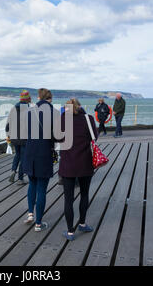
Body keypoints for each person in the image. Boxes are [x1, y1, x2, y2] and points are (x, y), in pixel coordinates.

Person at [59, 98, 97, 241]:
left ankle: (70, 232)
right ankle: (82, 223)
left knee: (68, 199)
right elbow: (95, 137)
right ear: (80, 106)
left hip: (68, 164)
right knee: (84, 194)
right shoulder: (88, 119)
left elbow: (56, 138)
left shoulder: (62, 119)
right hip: (85, 163)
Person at [23, 88, 60, 232]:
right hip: (44, 153)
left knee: (32, 184)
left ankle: (30, 214)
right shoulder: (55, 113)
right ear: (50, 98)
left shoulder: (30, 112)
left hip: (30, 152)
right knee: (42, 189)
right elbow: (57, 135)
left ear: (38, 97)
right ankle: (38, 223)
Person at [6, 90, 31, 185]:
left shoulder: (14, 108)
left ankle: (13, 170)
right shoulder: (28, 109)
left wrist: (8, 135)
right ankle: (20, 178)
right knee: (23, 157)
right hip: (24, 138)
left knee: (17, 154)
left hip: (14, 137)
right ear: (27, 98)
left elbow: (7, 125)